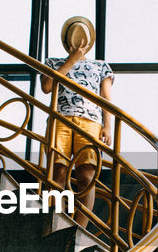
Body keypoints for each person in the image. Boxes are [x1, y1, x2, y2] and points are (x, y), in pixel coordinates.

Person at [40, 16, 113, 227]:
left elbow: (106, 98)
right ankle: (55, 225)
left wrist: (108, 125)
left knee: (86, 176)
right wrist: (71, 60)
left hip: (90, 122)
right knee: (57, 174)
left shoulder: (101, 66)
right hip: (60, 120)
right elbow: (46, 87)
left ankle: (79, 229)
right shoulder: (53, 62)